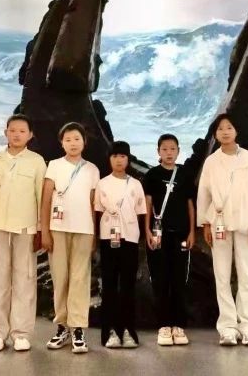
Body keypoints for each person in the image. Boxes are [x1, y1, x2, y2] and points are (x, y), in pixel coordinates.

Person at [196, 113, 248, 347]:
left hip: (245, 221)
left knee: (246, 275)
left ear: (236, 131)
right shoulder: (211, 161)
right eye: (220, 129)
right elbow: (204, 193)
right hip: (219, 221)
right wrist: (205, 223)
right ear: (215, 134)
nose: (225, 132)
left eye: (229, 127)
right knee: (222, 275)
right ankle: (227, 326)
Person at [0, 114, 47, 353]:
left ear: (30, 135)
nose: (17, 134)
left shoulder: (37, 162)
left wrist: (41, 229)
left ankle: (21, 333)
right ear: (5, 132)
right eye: (13, 130)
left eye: (22, 131)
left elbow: (42, 197)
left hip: (26, 227)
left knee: (24, 280)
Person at [40, 122, 101, 354]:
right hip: (57, 229)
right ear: (61, 143)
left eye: (77, 139)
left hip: (84, 230)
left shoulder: (92, 169)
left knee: (80, 279)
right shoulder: (54, 166)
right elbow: (46, 200)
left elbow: (94, 205)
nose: (73, 143)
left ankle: (78, 329)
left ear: (84, 141)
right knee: (60, 278)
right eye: (68, 139)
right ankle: (62, 326)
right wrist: (45, 231)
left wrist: (94, 234)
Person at [143, 133, 196, 346]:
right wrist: (147, 230)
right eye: (164, 149)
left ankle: (178, 325)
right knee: (160, 279)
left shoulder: (184, 174)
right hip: (158, 236)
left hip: (181, 234)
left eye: (172, 149)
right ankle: (164, 326)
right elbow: (147, 204)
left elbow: (190, 205)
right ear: (158, 151)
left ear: (178, 151)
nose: (169, 153)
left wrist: (192, 232)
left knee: (179, 279)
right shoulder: (152, 175)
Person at [95, 141, 148, 349]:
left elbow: (141, 212)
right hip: (108, 238)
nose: (119, 160)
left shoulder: (135, 184)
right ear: (110, 159)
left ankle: (127, 330)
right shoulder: (102, 183)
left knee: (127, 285)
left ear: (128, 159)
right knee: (109, 285)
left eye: (123, 156)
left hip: (130, 238)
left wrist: (142, 235)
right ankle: (109, 331)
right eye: (115, 156)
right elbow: (97, 212)